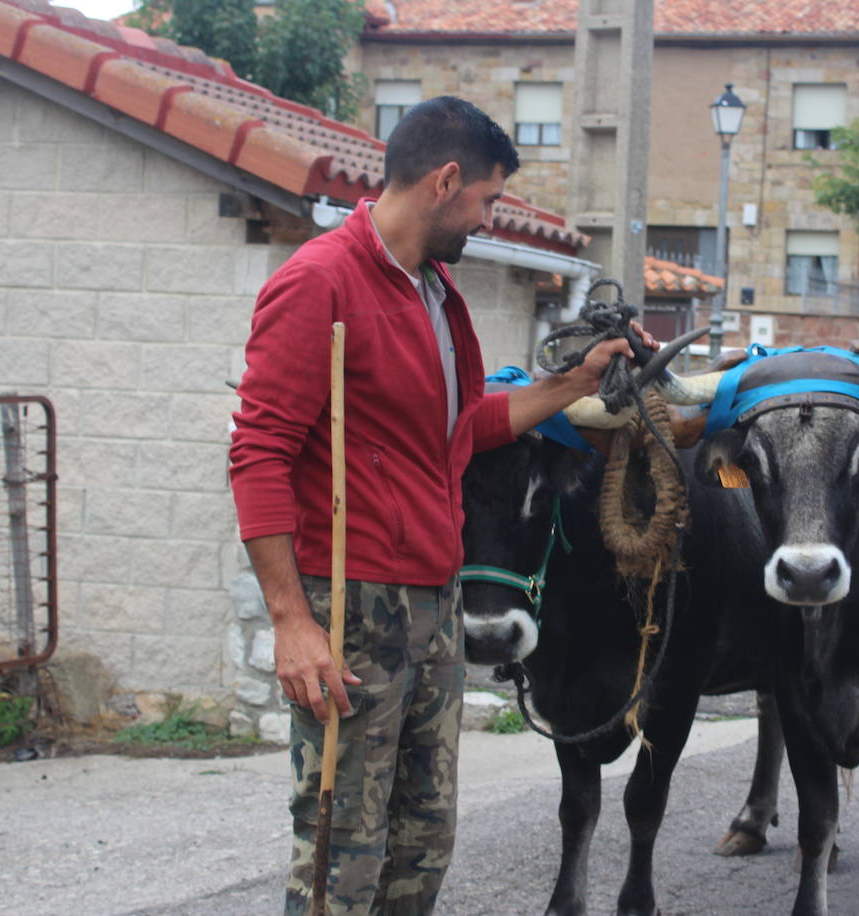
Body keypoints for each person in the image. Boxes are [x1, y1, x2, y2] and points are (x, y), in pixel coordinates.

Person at [229, 96, 647, 914]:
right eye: (487, 200)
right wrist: (290, 620)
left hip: (434, 597)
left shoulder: (439, 293)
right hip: (349, 601)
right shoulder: (320, 282)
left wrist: (573, 382)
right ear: (446, 181)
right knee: (343, 845)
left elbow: (463, 429)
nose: (487, 219)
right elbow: (257, 454)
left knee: (423, 839)